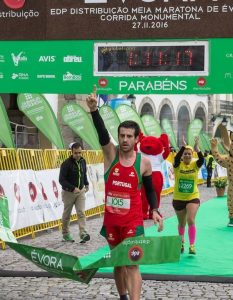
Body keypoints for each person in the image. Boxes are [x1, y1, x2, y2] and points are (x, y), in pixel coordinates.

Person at [86, 86, 163, 300]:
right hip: (112, 221)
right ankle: (123, 296)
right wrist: (94, 111)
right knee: (118, 264)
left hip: (133, 222)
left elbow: (149, 189)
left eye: (129, 136)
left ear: (137, 139)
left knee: (132, 263)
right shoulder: (111, 154)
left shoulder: (144, 163)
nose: (125, 140)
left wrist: (155, 209)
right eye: (122, 135)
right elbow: (102, 136)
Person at [172, 136, 204, 255]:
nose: (187, 156)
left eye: (189, 154)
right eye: (185, 154)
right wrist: (183, 146)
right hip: (178, 198)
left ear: (192, 156)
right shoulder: (177, 165)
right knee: (182, 223)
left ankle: (192, 245)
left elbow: (201, 160)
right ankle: (181, 242)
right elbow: (176, 158)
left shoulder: (195, 165)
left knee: (190, 219)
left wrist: (197, 148)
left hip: (192, 197)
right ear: (182, 155)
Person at [59, 142, 90, 243]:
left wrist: (86, 184)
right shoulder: (66, 164)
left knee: (81, 212)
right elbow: (61, 180)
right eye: (76, 153)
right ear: (71, 152)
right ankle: (66, 234)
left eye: (80, 152)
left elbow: (84, 173)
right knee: (67, 214)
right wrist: (72, 188)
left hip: (80, 191)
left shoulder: (83, 161)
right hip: (68, 193)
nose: (78, 155)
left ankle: (83, 233)